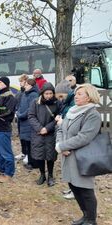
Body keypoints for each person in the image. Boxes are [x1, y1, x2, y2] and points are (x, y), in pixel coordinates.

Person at [56, 84, 101, 225]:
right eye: (76, 93)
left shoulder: (92, 114)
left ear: (89, 97)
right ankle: (85, 216)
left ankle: (91, 220)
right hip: (68, 155)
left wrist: (63, 145)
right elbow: (61, 129)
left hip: (83, 158)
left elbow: (84, 137)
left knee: (85, 190)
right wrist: (60, 146)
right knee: (74, 186)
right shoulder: (72, 111)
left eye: (80, 93)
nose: (76, 95)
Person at [28, 82, 61, 187]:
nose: (48, 96)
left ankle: (50, 175)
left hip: (50, 133)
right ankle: (42, 174)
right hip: (38, 133)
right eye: (46, 93)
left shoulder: (57, 103)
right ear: (42, 93)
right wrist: (40, 128)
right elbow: (31, 116)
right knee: (40, 155)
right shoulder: (35, 102)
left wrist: (47, 128)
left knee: (50, 156)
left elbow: (58, 118)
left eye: (50, 93)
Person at [0, 77, 17, 181]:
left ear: (6, 84)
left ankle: (9, 173)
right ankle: (1, 169)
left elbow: (8, 112)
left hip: (2, 128)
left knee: (6, 152)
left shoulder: (10, 96)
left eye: (0, 83)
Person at [16, 78, 39, 169]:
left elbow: (31, 109)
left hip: (29, 122)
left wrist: (21, 115)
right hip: (24, 122)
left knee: (31, 144)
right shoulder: (25, 94)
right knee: (27, 143)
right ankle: (30, 161)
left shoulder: (33, 95)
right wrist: (18, 113)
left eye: (26, 85)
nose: (25, 86)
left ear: (31, 86)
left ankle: (33, 163)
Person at [15, 74, 29, 160]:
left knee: (27, 137)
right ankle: (23, 152)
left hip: (26, 117)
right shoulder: (19, 92)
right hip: (19, 116)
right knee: (21, 136)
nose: (20, 83)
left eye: (22, 81)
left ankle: (28, 154)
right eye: (20, 81)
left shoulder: (28, 92)